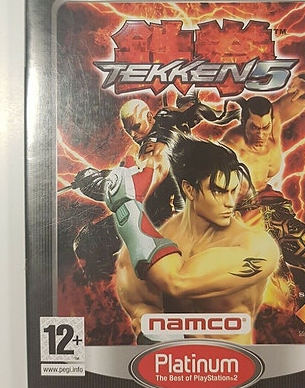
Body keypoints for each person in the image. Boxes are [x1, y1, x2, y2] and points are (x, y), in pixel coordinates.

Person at [105, 136, 280, 345]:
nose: (230, 202)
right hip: (176, 362)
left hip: (233, 359)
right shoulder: (139, 250)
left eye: (233, 191)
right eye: (218, 191)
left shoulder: (257, 247)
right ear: (189, 189)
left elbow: (177, 281)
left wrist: (126, 205)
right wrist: (152, 324)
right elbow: (142, 311)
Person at [222, 74, 305, 342]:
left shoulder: (274, 119)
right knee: (282, 293)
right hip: (248, 219)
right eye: (254, 128)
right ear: (244, 123)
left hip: (277, 211)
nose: (261, 134)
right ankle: (294, 337)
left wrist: (302, 82)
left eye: (265, 127)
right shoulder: (231, 147)